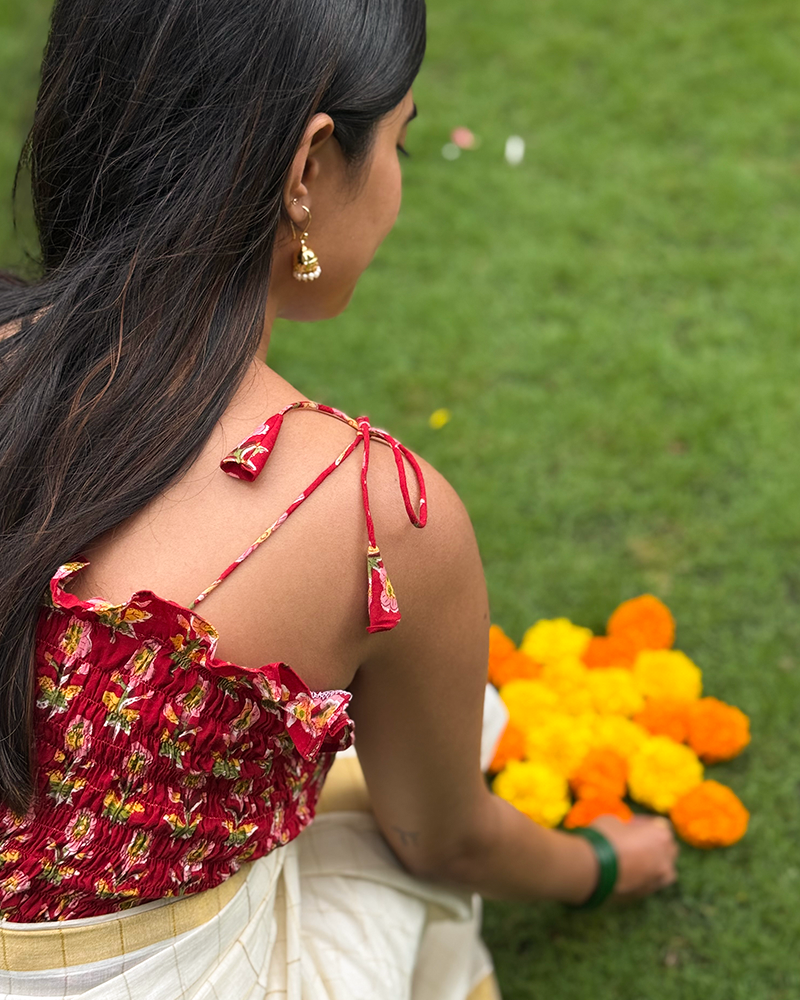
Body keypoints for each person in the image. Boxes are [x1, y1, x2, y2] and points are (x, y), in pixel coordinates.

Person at [0, 0, 678, 997]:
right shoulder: (368, 512)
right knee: (437, 776)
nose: (398, 184)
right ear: (308, 168)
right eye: (398, 142)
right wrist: (604, 864)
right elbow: (444, 838)